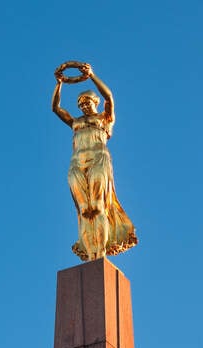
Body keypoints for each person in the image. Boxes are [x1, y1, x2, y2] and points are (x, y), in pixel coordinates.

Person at [52, 62, 136, 260]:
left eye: (87, 102)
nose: (83, 106)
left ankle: (101, 254)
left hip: (98, 160)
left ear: (94, 102)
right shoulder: (75, 122)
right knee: (84, 211)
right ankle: (91, 254)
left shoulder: (105, 119)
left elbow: (109, 97)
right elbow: (55, 108)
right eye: (80, 104)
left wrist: (91, 75)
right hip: (77, 163)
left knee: (98, 207)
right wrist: (59, 83)